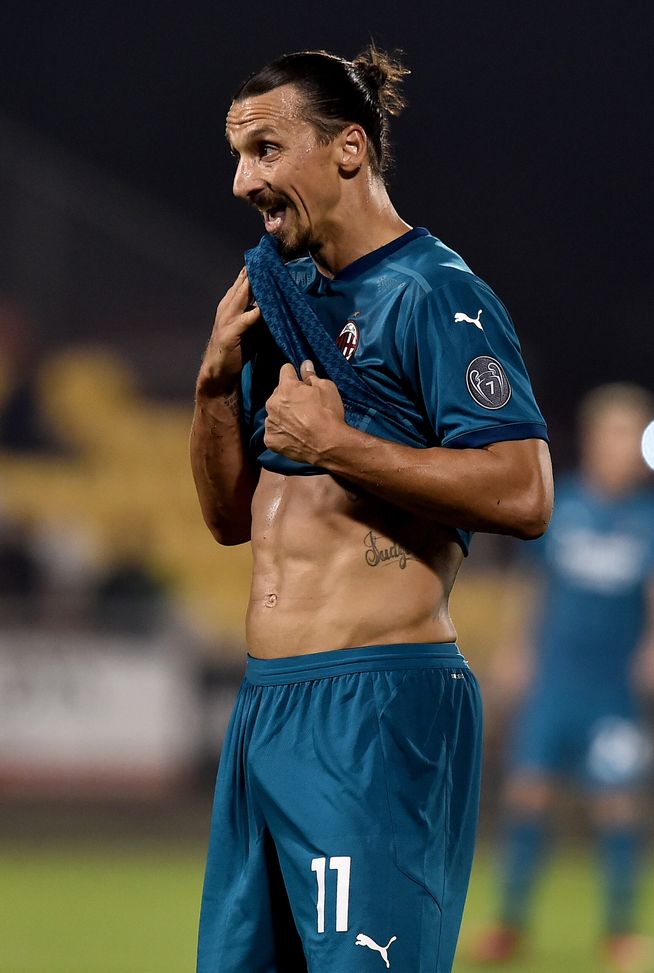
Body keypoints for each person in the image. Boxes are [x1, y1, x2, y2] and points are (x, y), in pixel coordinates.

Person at [190, 46, 553, 973]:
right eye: (238, 155)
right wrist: (212, 386)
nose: (243, 181)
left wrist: (341, 444)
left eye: (266, 150)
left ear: (348, 149)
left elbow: (523, 490)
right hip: (266, 709)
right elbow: (230, 519)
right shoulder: (282, 299)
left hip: (378, 704)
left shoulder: (434, 292)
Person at [472, 383, 654, 973]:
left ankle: (621, 932)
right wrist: (517, 650)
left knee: (618, 805)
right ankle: (509, 925)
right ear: (594, 441)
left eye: (630, 436)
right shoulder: (561, 505)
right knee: (526, 798)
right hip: (555, 680)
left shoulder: (648, 522)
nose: (620, 449)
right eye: (612, 435)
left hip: (612, 692)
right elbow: (535, 585)